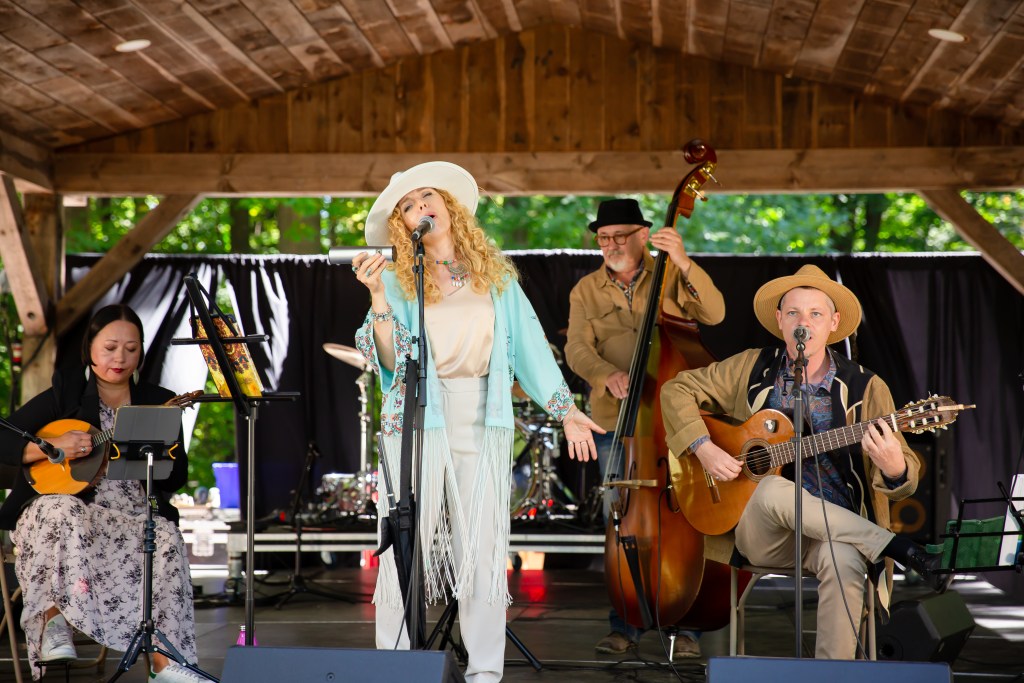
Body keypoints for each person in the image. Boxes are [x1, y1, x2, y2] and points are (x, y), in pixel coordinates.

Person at [352, 161, 604, 682]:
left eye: (426, 195)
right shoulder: (400, 282)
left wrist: (567, 410)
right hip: (416, 420)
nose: (420, 206)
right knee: (403, 549)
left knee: (483, 553)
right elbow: (390, 362)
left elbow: (531, 348)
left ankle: (485, 674)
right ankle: (394, 669)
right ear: (402, 224)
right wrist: (378, 300)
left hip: (480, 417)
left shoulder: (496, 277)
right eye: (407, 204)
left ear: (448, 205)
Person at [661, 264, 946, 659]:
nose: (803, 323)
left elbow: (906, 477)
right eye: (793, 313)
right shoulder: (751, 367)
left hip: (836, 532)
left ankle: (832, 674)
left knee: (845, 559)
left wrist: (895, 467)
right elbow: (677, 389)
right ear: (779, 321)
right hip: (764, 533)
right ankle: (896, 547)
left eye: (815, 314)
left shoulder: (866, 386)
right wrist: (704, 447)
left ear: (834, 322)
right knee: (774, 487)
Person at [0, 304, 199, 681]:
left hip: (129, 515)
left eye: (131, 348)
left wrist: (157, 452)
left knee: (166, 537)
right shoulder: (66, 391)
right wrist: (50, 446)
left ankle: (166, 665)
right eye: (110, 347)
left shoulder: (158, 398)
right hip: (64, 512)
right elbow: (4, 438)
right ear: (90, 347)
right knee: (61, 510)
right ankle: (54, 627)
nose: (120, 358)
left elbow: (177, 480)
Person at [564, 198, 725, 658]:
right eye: (603, 238)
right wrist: (602, 375)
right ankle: (625, 624)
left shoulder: (672, 274)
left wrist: (684, 260)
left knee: (688, 518)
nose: (610, 245)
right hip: (618, 421)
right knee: (623, 521)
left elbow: (714, 314)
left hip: (678, 421)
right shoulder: (586, 289)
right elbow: (576, 348)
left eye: (619, 236)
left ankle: (688, 628)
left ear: (642, 235)